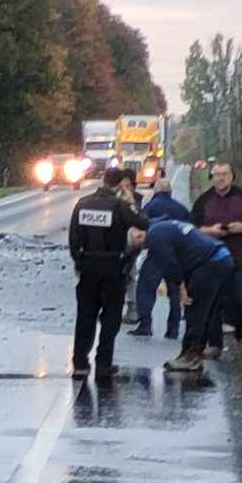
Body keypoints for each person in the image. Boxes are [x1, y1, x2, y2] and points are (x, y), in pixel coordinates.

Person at [132, 215, 242, 377]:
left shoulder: (155, 238)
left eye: (138, 246)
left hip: (210, 262)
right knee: (205, 310)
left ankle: (191, 358)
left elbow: (171, 266)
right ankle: (192, 353)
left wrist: (182, 291)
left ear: (139, 235)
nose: (141, 249)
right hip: (220, 257)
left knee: (195, 309)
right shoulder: (163, 227)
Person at [67, 162, 146, 379]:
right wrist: (131, 203)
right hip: (113, 268)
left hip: (87, 268)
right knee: (111, 318)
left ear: (103, 181)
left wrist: (78, 262)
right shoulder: (119, 206)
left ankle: (80, 363)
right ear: (120, 184)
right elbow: (143, 223)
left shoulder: (82, 204)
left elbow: (73, 237)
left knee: (85, 316)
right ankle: (103, 364)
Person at [186, 162, 242, 356]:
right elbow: (192, 227)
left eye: (224, 174)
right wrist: (210, 231)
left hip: (239, 258)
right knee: (213, 303)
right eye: (217, 175)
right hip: (212, 259)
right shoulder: (204, 200)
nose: (220, 178)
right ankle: (214, 345)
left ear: (231, 176)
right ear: (212, 177)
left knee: (241, 300)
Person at [127, 165, 190, 337]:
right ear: (170, 192)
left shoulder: (150, 207)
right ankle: (173, 329)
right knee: (174, 293)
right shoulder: (182, 209)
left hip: (156, 256)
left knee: (145, 289)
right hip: (176, 257)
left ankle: (145, 325)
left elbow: (141, 229)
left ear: (155, 190)